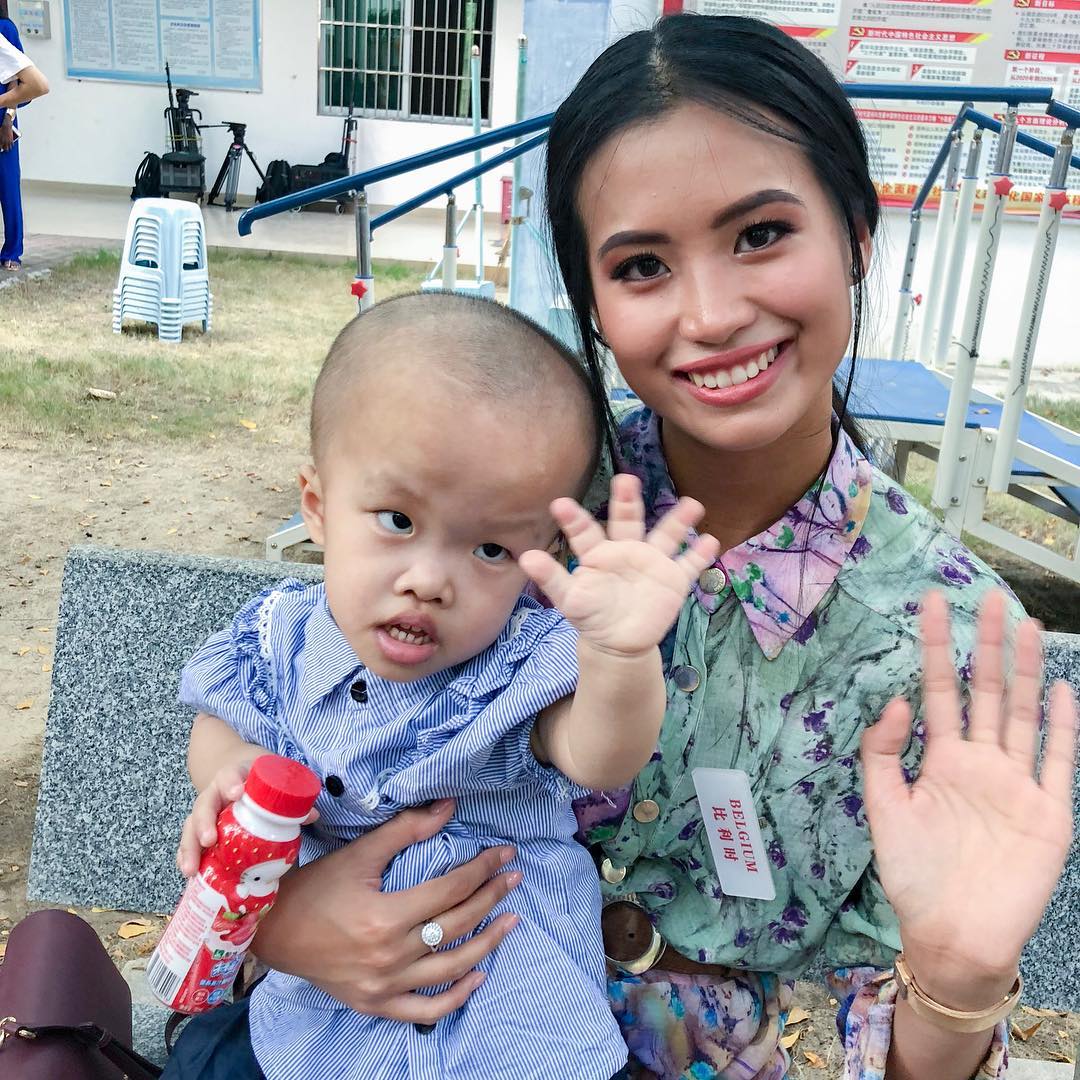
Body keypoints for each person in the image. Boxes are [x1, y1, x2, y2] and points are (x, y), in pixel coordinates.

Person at [192, 16, 1078, 1080]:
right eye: (644, 264)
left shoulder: (946, 639)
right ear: (596, 306)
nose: (711, 314)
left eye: (759, 235)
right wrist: (283, 924)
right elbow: (305, 725)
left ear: (854, 232)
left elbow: (907, 1029)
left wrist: (962, 981)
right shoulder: (508, 499)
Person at [162, 291, 720, 1080]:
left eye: (490, 549)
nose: (429, 580)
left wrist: (621, 656)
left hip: (513, 1030)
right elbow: (221, 719)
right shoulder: (275, 636)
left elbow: (599, 753)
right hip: (322, 1023)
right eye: (396, 520)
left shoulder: (518, 664)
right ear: (318, 506)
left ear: (541, 554)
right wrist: (231, 769)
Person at [0, 2, 48, 271]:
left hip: (2, 119)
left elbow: (17, 80)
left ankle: (12, 252)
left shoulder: (5, 29)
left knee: (7, 187)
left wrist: (8, 119)